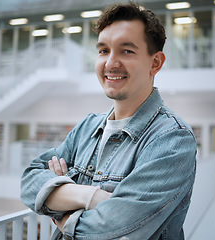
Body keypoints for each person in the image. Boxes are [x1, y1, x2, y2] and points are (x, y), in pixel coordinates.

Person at [21, 2, 197, 239]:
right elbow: (30, 179)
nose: (110, 63)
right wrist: (88, 196)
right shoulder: (87, 127)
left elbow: (112, 229)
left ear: (155, 63)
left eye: (127, 51)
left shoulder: (172, 139)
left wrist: (58, 208)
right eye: (103, 50)